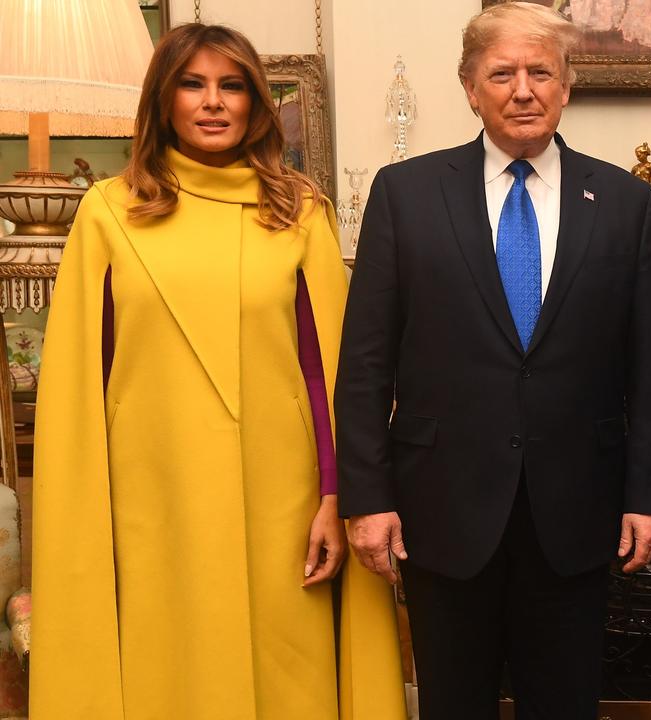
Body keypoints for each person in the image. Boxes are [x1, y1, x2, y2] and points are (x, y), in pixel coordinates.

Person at [31, 23, 405, 719]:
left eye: (231, 86)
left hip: (284, 504)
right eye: (192, 84)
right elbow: (82, 382)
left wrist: (334, 495)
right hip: (152, 499)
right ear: (162, 102)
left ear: (255, 104)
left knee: (289, 677)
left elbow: (330, 378)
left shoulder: (300, 211)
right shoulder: (108, 213)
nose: (213, 102)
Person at [335, 3, 651, 718]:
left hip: (578, 512)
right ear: (469, 87)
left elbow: (647, 367)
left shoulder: (624, 202)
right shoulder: (406, 196)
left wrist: (648, 495)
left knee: (566, 704)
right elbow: (365, 363)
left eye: (540, 71)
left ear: (566, 84)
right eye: (502, 73)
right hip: (442, 508)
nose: (523, 89)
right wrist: (367, 498)